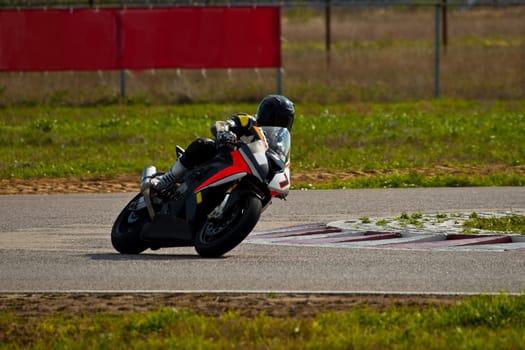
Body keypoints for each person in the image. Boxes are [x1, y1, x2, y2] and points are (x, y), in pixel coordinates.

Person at [152, 94, 295, 191]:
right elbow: (221, 124)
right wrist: (225, 132)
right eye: (275, 118)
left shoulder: (279, 142)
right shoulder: (249, 122)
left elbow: (281, 162)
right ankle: (167, 179)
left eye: (284, 121)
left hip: (248, 172)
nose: (279, 124)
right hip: (224, 158)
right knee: (203, 144)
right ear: (264, 115)